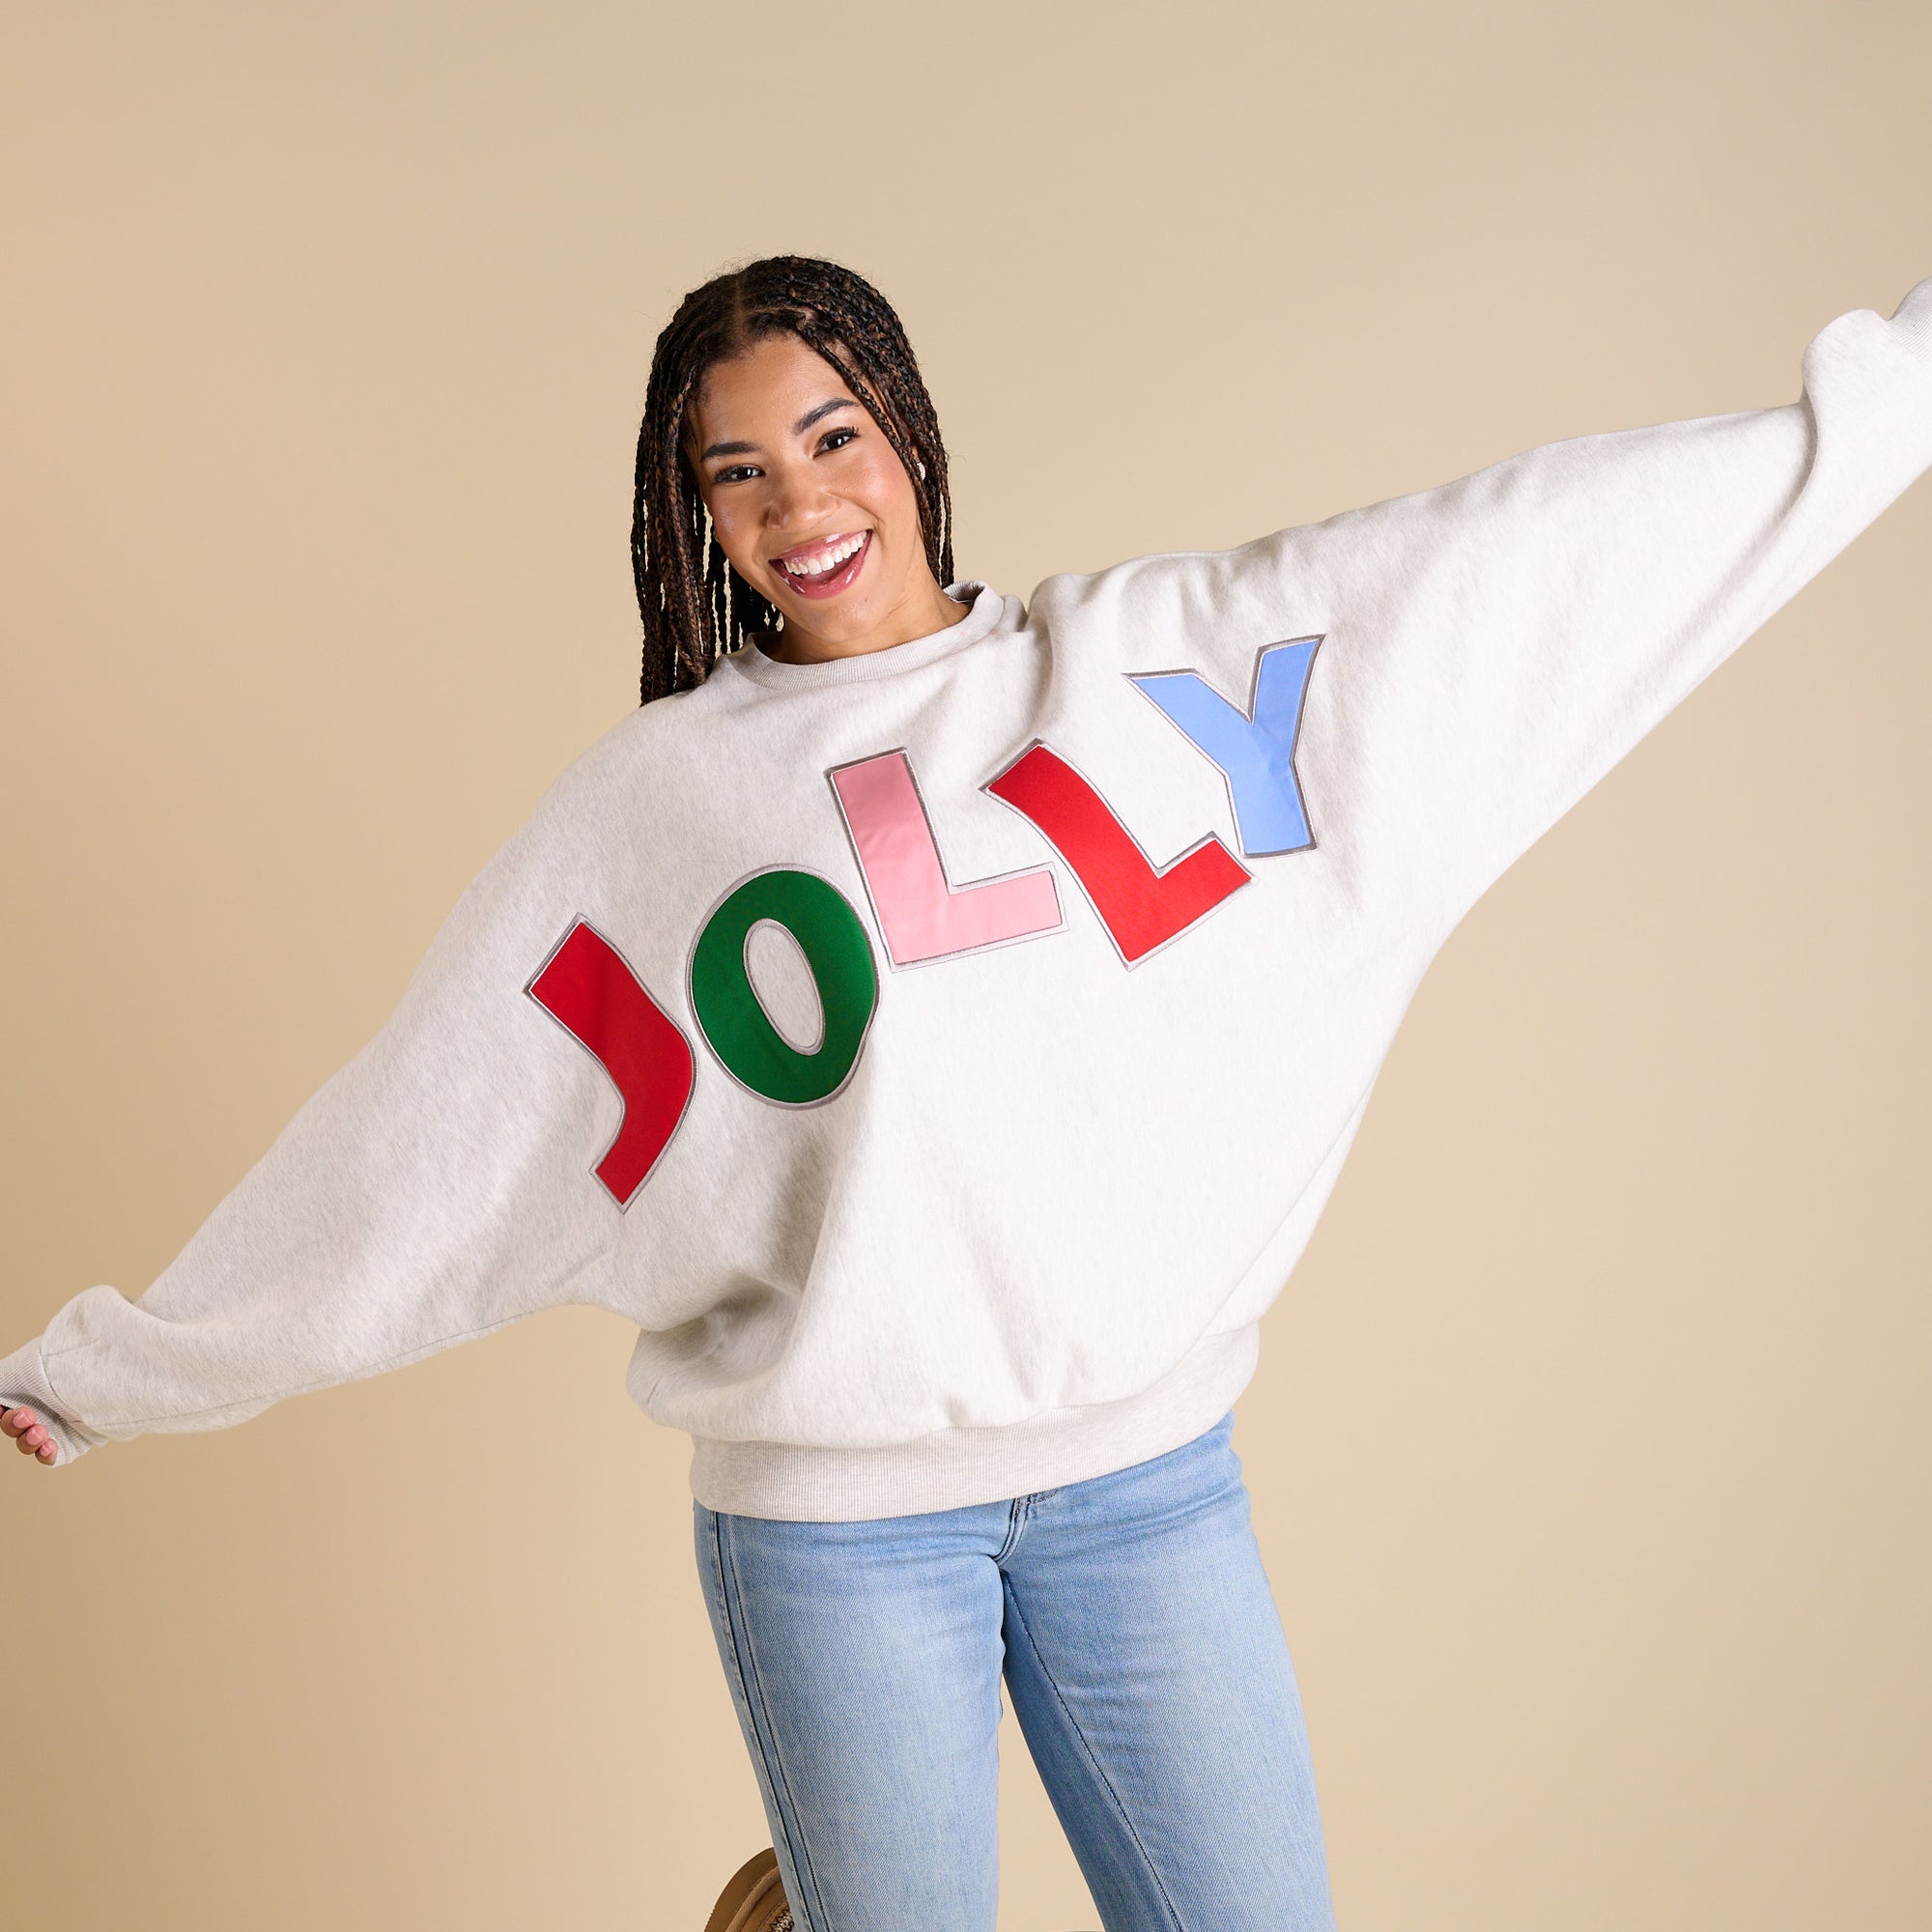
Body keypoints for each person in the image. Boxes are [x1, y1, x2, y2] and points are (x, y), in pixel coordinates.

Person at [6, 254, 1929, 1932]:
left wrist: (1889, 394)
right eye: (734, 472)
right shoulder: (657, 810)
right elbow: (427, 1141)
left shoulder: (1152, 669)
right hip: (838, 1538)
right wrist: (110, 1369)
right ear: (695, 524)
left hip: (1147, 1493)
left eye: (831, 436)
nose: (798, 502)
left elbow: (1511, 566)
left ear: (910, 437)